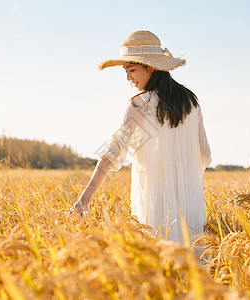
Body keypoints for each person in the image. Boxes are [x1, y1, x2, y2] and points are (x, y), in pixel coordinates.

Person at [71, 30, 211, 244]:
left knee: (158, 264)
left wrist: (84, 200)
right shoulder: (191, 102)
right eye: (125, 71)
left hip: (155, 205)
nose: (128, 77)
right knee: (194, 270)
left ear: (151, 66)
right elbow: (205, 155)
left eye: (132, 69)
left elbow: (111, 155)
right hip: (191, 206)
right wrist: (185, 182)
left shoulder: (139, 105)